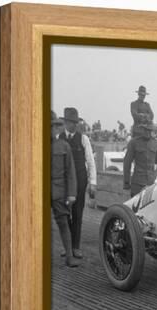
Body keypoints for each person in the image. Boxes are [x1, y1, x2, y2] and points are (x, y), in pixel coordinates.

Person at [59, 107, 97, 259]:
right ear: (65, 122)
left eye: (75, 122)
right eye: (70, 122)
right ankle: (66, 246)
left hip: (80, 181)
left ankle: (76, 247)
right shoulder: (58, 138)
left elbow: (91, 162)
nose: (72, 125)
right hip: (63, 183)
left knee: (77, 214)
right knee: (64, 214)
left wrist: (93, 183)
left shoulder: (84, 139)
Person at [50, 111, 78, 267]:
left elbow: (71, 172)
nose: (52, 129)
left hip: (59, 191)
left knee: (63, 222)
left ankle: (69, 256)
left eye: (54, 126)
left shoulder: (64, 146)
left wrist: (72, 194)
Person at [123, 123, 157, 197]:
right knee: (135, 206)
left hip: (151, 183)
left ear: (152, 130)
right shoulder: (133, 143)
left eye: (149, 130)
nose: (147, 132)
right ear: (141, 130)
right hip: (137, 183)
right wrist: (126, 182)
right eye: (145, 130)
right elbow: (127, 163)